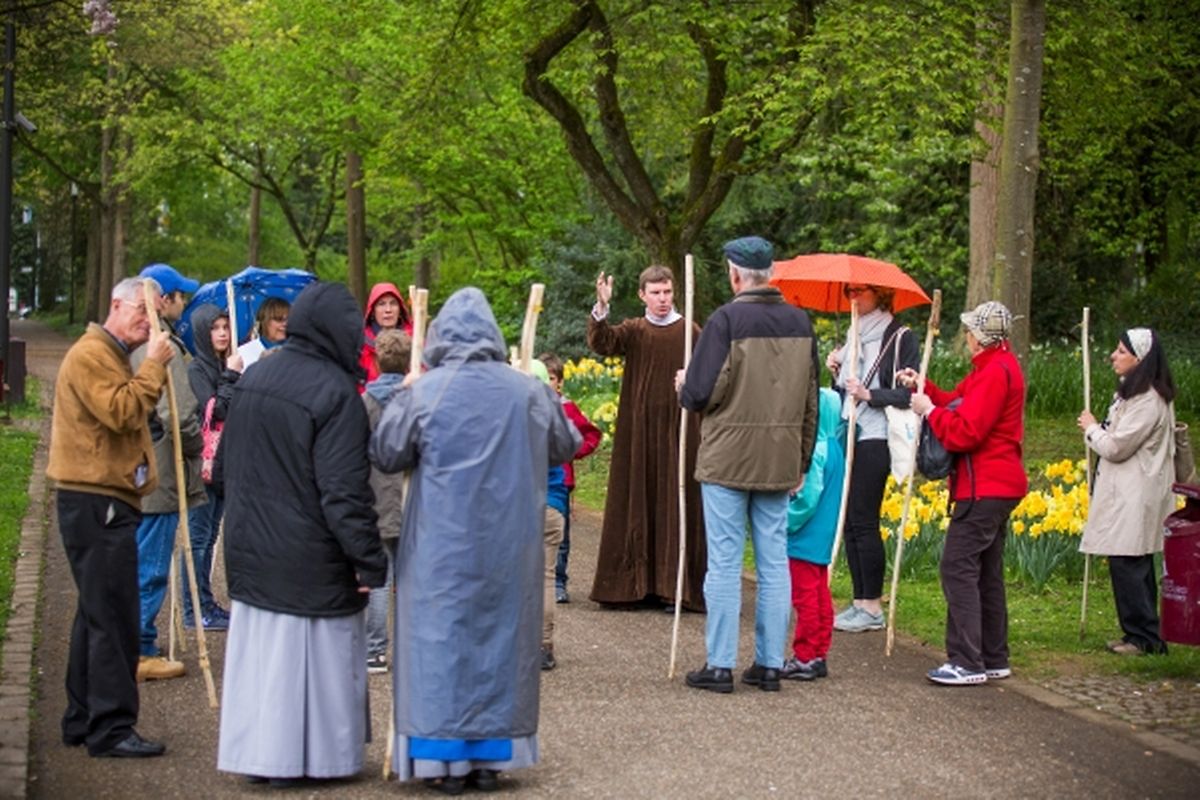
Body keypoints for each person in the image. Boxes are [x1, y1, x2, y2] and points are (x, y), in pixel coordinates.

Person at [370, 287, 580, 793]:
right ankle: (489, 757)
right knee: (499, 643)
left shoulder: (424, 391)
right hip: (508, 542)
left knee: (441, 643)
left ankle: (444, 761)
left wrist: (405, 395)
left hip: (439, 546)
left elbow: (387, 451)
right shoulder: (525, 391)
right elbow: (565, 444)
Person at [216, 282, 388, 785]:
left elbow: (224, 470)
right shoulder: (336, 395)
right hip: (309, 558)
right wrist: (369, 559)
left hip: (252, 548)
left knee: (266, 666)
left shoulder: (255, 376)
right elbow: (344, 492)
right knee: (307, 666)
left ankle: (264, 758)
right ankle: (308, 759)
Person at [677, 236, 820, 693]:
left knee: (723, 561)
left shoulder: (725, 320)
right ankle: (770, 664)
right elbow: (811, 401)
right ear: (770, 274)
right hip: (779, 457)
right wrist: (800, 459)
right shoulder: (801, 322)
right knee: (774, 561)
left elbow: (701, 393)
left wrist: (684, 384)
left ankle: (720, 665)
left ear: (735, 274)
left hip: (727, 459)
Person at [47, 276, 174, 757]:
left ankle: (83, 717)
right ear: (116, 305)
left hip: (102, 496)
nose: (148, 323)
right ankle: (111, 727)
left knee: (96, 611)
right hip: (95, 497)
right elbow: (121, 411)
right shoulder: (91, 355)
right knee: (114, 616)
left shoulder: (107, 354)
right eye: (142, 313)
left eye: (155, 314)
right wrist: (155, 368)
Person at [906, 300, 1027, 686]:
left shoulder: (995, 372)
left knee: (956, 568)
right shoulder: (993, 367)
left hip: (984, 486)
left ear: (980, 337)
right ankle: (992, 656)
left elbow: (965, 431)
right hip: (993, 484)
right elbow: (954, 402)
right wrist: (923, 387)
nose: (967, 335)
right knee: (985, 573)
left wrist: (929, 412)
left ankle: (967, 661)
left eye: (971, 330)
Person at [587, 264, 706, 611]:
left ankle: (675, 587)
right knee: (637, 498)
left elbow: (713, 373)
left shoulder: (690, 332)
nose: (663, 299)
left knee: (676, 501)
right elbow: (603, 342)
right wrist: (602, 308)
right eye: (655, 293)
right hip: (638, 432)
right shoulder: (634, 330)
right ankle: (632, 585)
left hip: (680, 429)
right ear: (642, 296)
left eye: (667, 292)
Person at [825, 283, 919, 633]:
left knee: (864, 519)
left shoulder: (899, 336)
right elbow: (844, 394)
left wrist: (870, 393)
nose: (853, 296)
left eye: (860, 291)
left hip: (878, 435)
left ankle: (873, 606)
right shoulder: (852, 335)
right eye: (849, 290)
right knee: (849, 520)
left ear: (879, 294)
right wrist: (837, 371)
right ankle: (859, 600)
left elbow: (910, 390)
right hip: (851, 430)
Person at [1078, 327, 1176, 656]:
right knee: (1127, 561)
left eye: (1121, 351)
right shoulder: (1132, 394)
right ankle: (1137, 632)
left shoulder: (1148, 400)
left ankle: (1145, 636)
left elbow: (1117, 446)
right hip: (1127, 489)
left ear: (1141, 358)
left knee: (1130, 561)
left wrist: (1091, 428)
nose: (1113, 356)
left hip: (1137, 492)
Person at [130, 263, 206, 680]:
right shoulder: (161, 344)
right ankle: (139, 648)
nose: (184, 302)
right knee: (152, 560)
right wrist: (195, 446)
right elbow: (177, 412)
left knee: (141, 553)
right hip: (159, 468)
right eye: (180, 295)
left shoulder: (135, 339)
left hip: (140, 465)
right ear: (163, 300)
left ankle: (135, 641)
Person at [184, 303, 243, 630]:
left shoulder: (224, 364)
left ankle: (207, 602)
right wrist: (232, 376)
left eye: (225, 327)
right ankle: (194, 609)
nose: (222, 333)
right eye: (215, 328)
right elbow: (214, 412)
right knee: (198, 537)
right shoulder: (197, 370)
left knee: (210, 536)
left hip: (224, 464)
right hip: (204, 463)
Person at [781, 387, 845, 681]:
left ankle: (805, 654)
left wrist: (785, 521)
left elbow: (807, 499)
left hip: (805, 535)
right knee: (820, 594)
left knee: (804, 595)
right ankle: (820, 650)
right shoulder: (835, 447)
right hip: (824, 534)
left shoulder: (816, 451)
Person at [363, 328, 412, 673]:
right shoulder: (415, 401)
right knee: (411, 581)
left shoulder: (365, 403)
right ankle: (413, 647)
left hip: (376, 500)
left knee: (380, 580)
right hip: (411, 502)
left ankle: (375, 650)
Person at [538, 352, 603, 605]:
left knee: (560, 535)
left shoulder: (566, 408)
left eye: (551, 378)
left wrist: (572, 452)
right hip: (531, 480)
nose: (547, 383)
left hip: (560, 480)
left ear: (560, 381)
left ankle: (558, 580)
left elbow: (591, 435)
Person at [359, 282, 412, 390]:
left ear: (400, 309)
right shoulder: (360, 346)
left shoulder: (416, 341)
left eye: (393, 303)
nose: (388, 310)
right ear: (373, 311)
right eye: (381, 304)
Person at [236, 296, 290, 368]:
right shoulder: (243, 353)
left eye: (288, 319)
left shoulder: (298, 350)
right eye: (279, 319)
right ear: (265, 321)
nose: (285, 324)